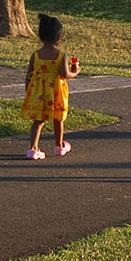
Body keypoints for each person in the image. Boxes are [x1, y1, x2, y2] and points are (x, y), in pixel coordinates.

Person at [20, 13, 79, 159]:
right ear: (58, 38)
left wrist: (28, 92)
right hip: (56, 92)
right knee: (58, 119)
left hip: (38, 93)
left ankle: (33, 148)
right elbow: (65, 74)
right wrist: (75, 72)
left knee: (38, 120)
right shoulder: (61, 55)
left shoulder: (36, 55)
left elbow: (29, 75)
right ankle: (59, 146)